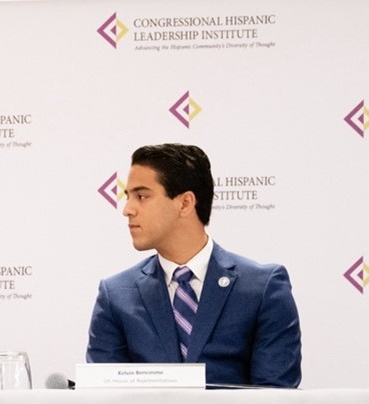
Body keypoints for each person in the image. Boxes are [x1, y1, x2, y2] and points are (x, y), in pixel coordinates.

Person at [86, 143, 302, 388]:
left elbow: (275, 401)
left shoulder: (262, 288)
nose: (127, 210)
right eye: (128, 197)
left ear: (185, 203)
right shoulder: (115, 295)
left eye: (142, 196)